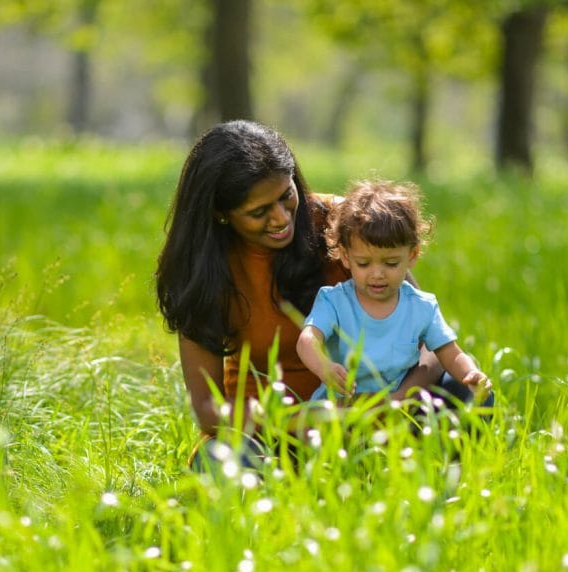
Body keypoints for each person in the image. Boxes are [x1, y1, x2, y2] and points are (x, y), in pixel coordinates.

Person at [155, 121, 450, 468]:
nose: (281, 218)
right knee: (220, 462)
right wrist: (304, 419)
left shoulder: (344, 225)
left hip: (372, 417)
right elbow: (207, 409)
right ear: (221, 214)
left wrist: (398, 401)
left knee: (461, 392)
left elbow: (431, 340)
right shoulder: (204, 271)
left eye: (285, 195)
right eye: (259, 212)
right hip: (270, 431)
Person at [296, 179, 492, 407]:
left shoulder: (422, 307)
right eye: (364, 263)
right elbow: (307, 341)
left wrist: (471, 373)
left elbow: (450, 353)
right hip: (345, 407)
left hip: (398, 408)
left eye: (390, 263)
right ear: (346, 257)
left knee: (475, 399)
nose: (377, 274)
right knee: (317, 418)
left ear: (412, 255)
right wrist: (324, 367)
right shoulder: (334, 301)